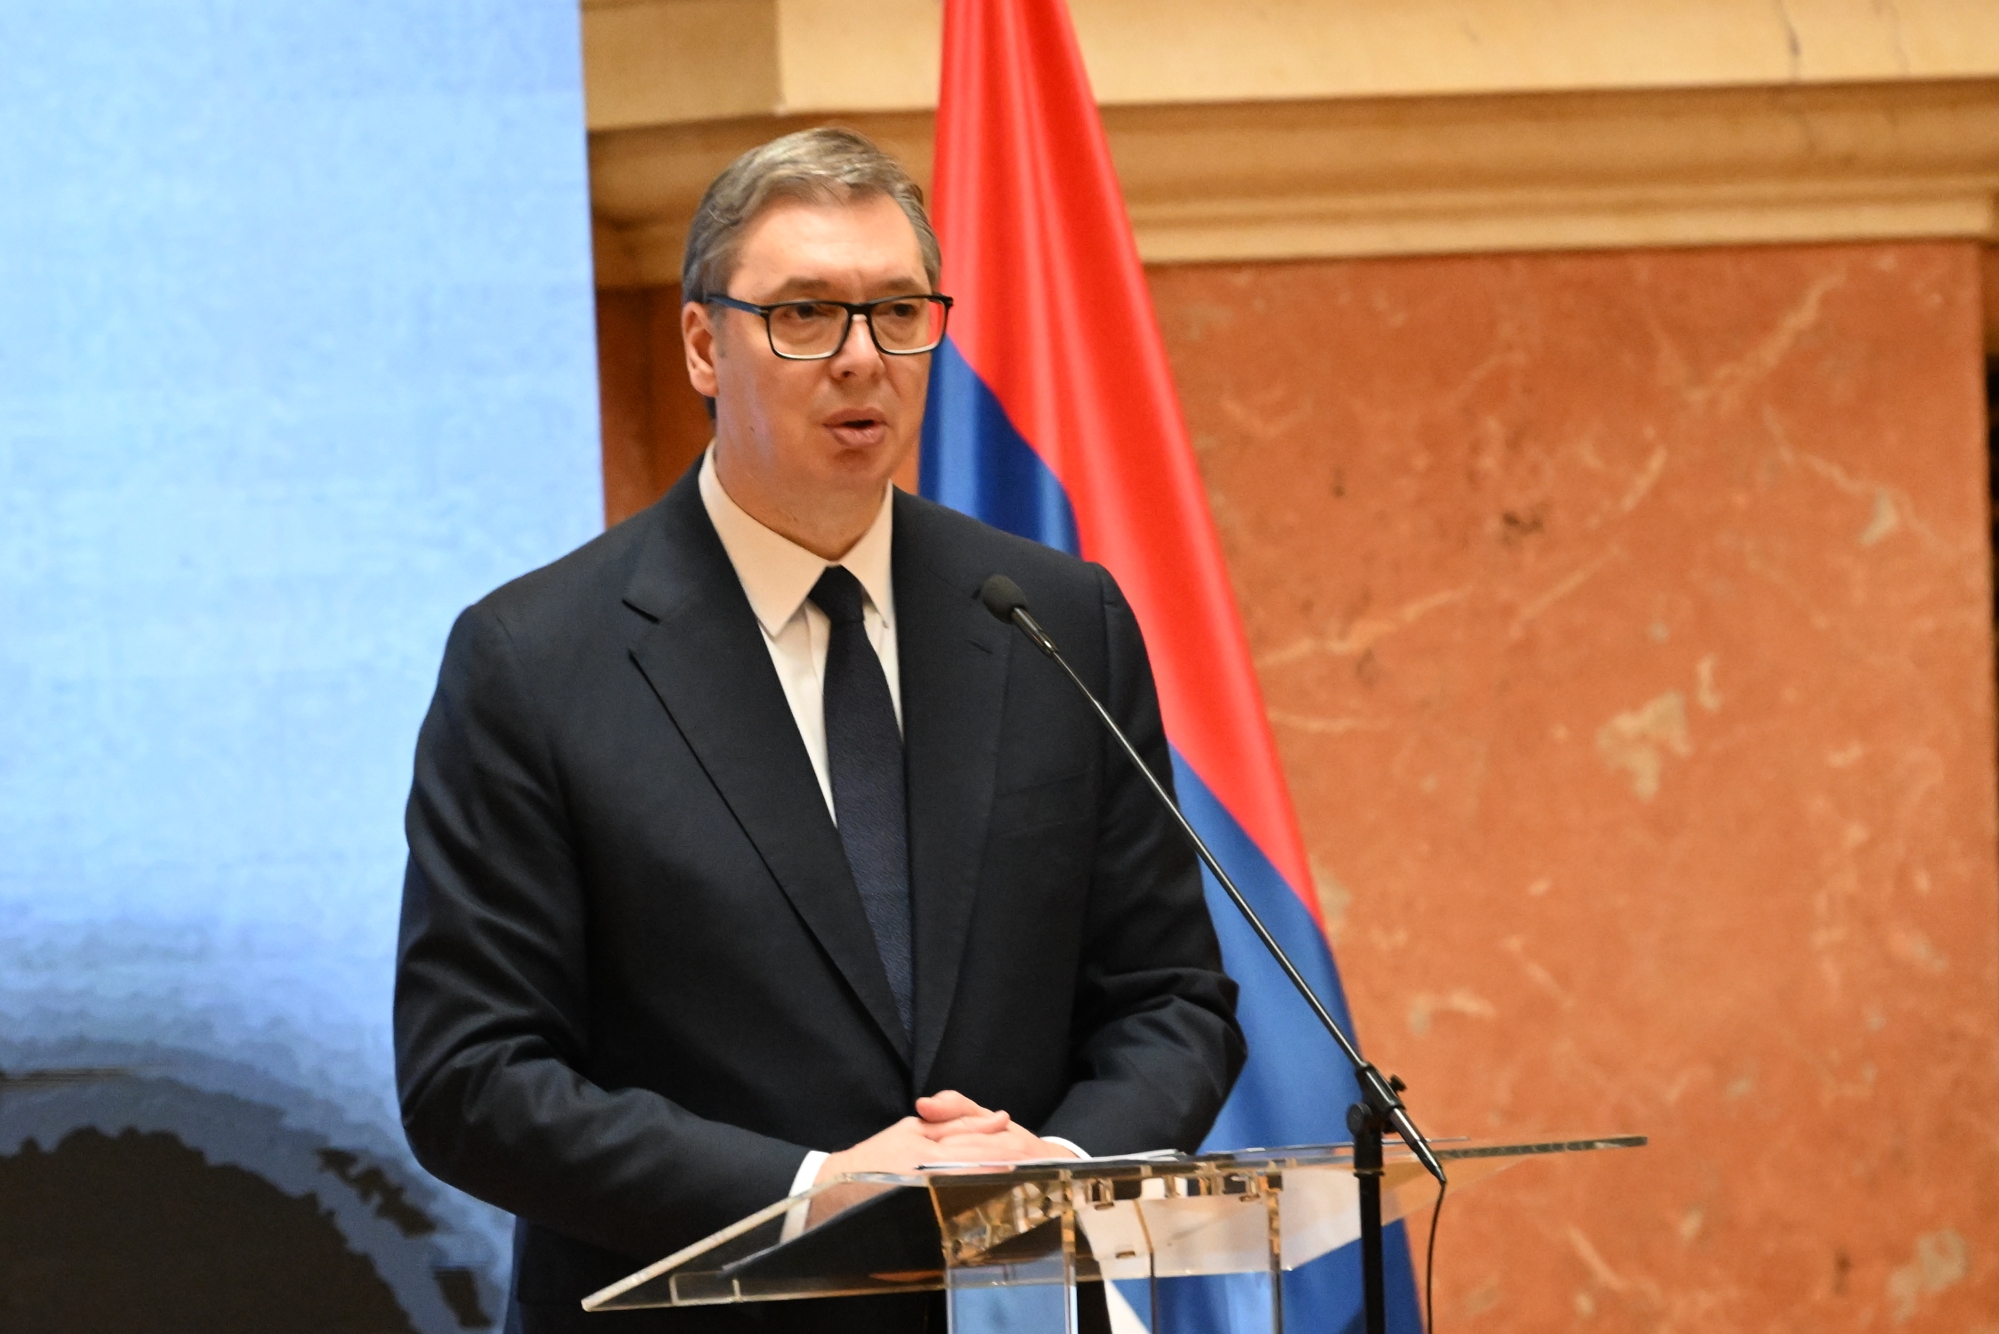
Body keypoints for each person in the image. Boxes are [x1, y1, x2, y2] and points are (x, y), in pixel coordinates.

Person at [394, 128, 1244, 1334]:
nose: (861, 357)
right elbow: (471, 1076)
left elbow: (1170, 996)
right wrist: (813, 1191)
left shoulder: (1054, 618)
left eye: (897, 311)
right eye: (804, 314)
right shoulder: (533, 658)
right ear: (704, 344)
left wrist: (1047, 1173)